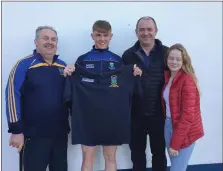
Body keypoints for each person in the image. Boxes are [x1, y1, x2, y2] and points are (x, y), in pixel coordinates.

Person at [64, 20, 142, 171]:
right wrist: (69, 72)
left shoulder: (118, 60)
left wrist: (135, 74)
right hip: (87, 117)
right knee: (88, 157)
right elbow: (74, 83)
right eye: (98, 35)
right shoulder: (82, 60)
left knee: (110, 157)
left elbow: (125, 83)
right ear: (92, 36)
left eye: (105, 35)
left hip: (111, 116)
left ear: (111, 36)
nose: (101, 39)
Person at [5, 26, 70, 171]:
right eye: (45, 38)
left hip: (59, 134)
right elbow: (11, 95)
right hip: (33, 135)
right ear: (36, 41)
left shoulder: (63, 66)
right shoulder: (24, 65)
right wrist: (16, 130)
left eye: (53, 39)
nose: (50, 42)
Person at [122, 16, 168, 171]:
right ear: (136, 32)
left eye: (149, 29)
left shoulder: (167, 53)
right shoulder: (127, 55)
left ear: (156, 31)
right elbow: (123, 85)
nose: (146, 33)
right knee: (137, 155)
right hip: (136, 114)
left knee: (159, 154)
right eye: (142, 29)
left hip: (160, 113)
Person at [162, 43, 204, 171]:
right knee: (175, 166)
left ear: (183, 61)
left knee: (177, 169)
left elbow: (187, 117)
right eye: (171, 58)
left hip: (184, 131)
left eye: (178, 59)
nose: (174, 62)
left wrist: (175, 143)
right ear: (167, 59)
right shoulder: (168, 77)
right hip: (168, 126)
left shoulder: (187, 81)